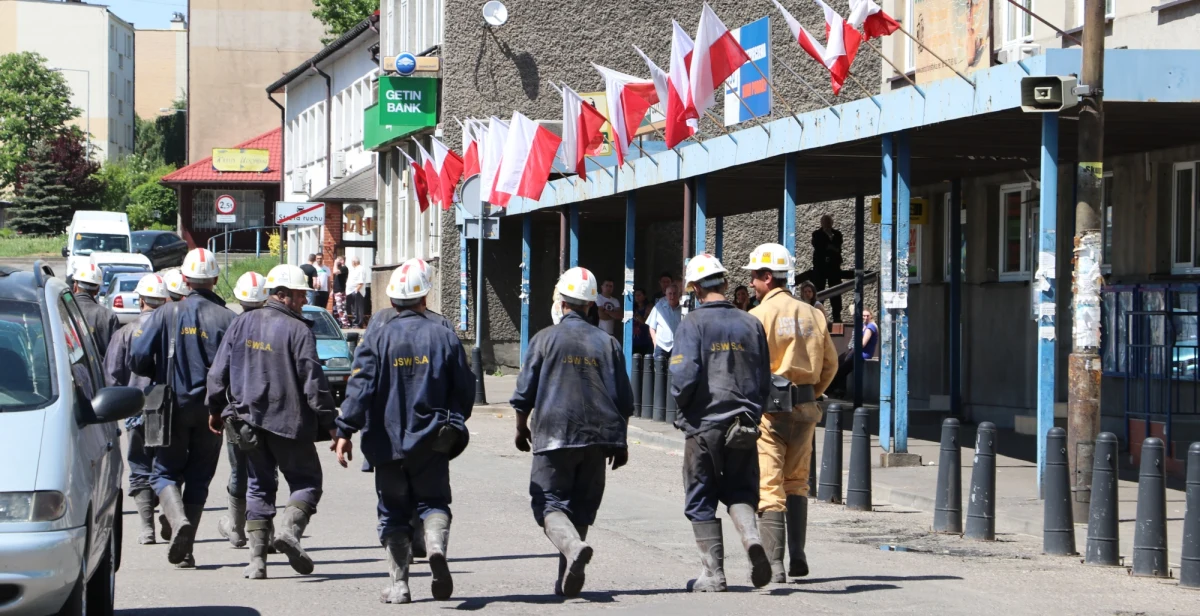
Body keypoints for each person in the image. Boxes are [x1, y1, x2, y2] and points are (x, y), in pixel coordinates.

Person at [335, 260, 474, 604]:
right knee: (434, 502)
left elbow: (360, 387)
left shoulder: (378, 336)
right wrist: (453, 424)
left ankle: (399, 586)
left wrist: (344, 430)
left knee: (393, 512)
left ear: (392, 300)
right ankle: (436, 545)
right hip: (433, 441)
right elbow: (465, 388)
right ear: (424, 296)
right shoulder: (444, 335)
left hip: (387, 443)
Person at [207, 264, 338, 580]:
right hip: (288, 424)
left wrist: (214, 409)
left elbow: (217, 374)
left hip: (246, 423)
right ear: (284, 295)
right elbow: (313, 381)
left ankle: (256, 562)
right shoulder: (299, 331)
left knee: (258, 485)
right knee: (307, 482)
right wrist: (332, 423)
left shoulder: (242, 323)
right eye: (300, 294)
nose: (304, 299)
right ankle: (289, 532)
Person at [511, 267, 635, 598]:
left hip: (554, 436)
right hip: (597, 439)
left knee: (548, 502)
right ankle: (568, 573)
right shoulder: (608, 343)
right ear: (591, 304)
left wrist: (521, 427)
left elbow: (524, 392)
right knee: (581, 506)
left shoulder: (543, 339)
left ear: (562, 302)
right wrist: (620, 443)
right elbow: (624, 399)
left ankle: (572, 549)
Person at [669, 254, 773, 592]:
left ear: (696, 289)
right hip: (743, 424)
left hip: (705, 425)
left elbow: (683, 377)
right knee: (741, 491)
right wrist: (752, 414)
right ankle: (752, 539)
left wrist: (684, 411)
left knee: (701, 497)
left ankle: (714, 574)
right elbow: (763, 378)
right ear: (726, 283)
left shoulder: (692, 324)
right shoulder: (750, 323)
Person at [131, 247, 236, 569]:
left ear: (185, 279)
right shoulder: (228, 318)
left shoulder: (166, 313)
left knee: (164, 472)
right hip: (211, 411)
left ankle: (178, 525)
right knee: (200, 477)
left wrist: (160, 370)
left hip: (171, 405)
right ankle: (185, 545)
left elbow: (138, 358)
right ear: (215, 279)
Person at [744, 243, 837, 581]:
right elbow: (831, 364)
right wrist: (814, 391)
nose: (752, 284)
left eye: (755, 277)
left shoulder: (757, 317)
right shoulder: (813, 313)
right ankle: (798, 553)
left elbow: (750, 368)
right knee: (797, 481)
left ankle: (775, 564)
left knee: (769, 484)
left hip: (771, 411)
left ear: (768, 277)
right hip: (807, 406)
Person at [105, 274, 170, 545]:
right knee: (168, 465)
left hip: (137, 409)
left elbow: (112, 376)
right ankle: (172, 514)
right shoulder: (174, 330)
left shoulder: (125, 332)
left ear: (141, 300)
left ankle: (147, 528)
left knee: (140, 465)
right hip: (169, 408)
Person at [212, 271, 269, 551]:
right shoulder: (280, 325)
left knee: (239, 471)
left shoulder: (235, 326)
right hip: (271, 414)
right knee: (266, 473)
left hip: (238, 412)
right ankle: (263, 533)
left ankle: (236, 529)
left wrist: (215, 408)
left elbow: (218, 374)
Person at [71, 262, 121, 358]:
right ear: (97, 290)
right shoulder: (108, 316)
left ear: (75, 285)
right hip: (100, 372)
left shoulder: (61, 309)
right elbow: (116, 355)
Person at [831, 309, 878, 396]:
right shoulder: (864, 325)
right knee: (840, 361)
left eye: (867, 316)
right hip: (856, 351)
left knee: (843, 368)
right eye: (864, 316)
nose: (865, 318)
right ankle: (839, 389)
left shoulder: (870, 327)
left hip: (862, 354)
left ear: (871, 316)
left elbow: (863, 344)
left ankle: (834, 389)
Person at [811, 214, 847, 322]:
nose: (827, 224)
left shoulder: (837, 234)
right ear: (821, 223)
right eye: (825, 222)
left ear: (832, 223)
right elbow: (819, 246)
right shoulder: (816, 234)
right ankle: (818, 314)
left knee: (835, 291)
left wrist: (829, 244)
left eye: (828, 222)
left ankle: (837, 316)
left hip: (834, 267)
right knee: (819, 290)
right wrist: (830, 246)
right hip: (820, 267)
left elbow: (838, 246)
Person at [646, 283, 682, 360]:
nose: (672, 297)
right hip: (661, 346)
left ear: (679, 294)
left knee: (675, 371)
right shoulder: (659, 306)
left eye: (675, 293)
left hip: (677, 347)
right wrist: (655, 343)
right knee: (659, 371)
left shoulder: (683, 309)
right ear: (666, 295)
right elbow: (652, 327)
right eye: (670, 294)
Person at [347, 257, 367, 327]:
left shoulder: (360, 269)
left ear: (354, 262)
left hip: (357, 292)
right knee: (354, 309)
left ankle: (358, 323)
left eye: (352, 262)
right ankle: (355, 323)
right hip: (352, 291)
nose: (351, 263)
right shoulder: (354, 269)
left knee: (357, 308)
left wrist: (356, 290)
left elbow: (361, 282)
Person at [632, 288, 653, 355]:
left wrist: (637, 316)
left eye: (639, 295)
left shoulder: (648, 307)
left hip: (644, 339)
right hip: (633, 340)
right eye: (636, 295)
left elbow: (645, 322)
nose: (637, 297)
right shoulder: (632, 307)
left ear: (644, 296)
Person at [333, 256, 350, 327]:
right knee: (338, 309)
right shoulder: (340, 268)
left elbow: (334, 272)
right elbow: (336, 280)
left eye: (339, 260)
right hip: (337, 291)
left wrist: (335, 263)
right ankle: (342, 323)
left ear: (342, 261)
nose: (338, 261)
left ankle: (345, 324)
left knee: (340, 309)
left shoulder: (344, 268)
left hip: (340, 291)